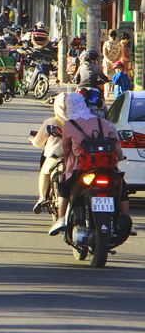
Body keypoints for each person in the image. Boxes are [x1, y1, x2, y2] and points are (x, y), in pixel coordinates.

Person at [50, 92, 128, 236]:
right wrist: (120, 156)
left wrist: (58, 157)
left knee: (63, 186)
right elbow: (115, 144)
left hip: (81, 169)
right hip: (107, 167)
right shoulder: (103, 123)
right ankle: (126, 220)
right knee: (122, 187)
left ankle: (61, 219)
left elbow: (65, 150)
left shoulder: (69, 124)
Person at [29, 92, 69, 214]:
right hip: (73, 157)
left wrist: (32, 139)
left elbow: (38, 142)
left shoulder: (52, 121)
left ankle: (42, 197)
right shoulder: (78, 121)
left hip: (55, 156)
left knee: (44, 172)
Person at [102, 29, 121, 95]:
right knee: (115, 76)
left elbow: (105, 53)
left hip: (108, 63)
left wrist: (109, 60)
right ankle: (115, 90)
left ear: (108, 35)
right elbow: (121, 54)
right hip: (116, 63)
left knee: (106, 76)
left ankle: (106, 92)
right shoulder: (119, 44)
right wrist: (117, 60)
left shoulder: (106, 43)